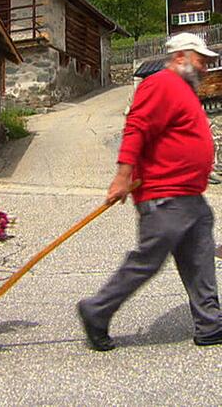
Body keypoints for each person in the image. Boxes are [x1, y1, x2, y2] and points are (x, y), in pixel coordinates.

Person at [78, 32, 222, 351]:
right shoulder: (160, 84)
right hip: (164, 194)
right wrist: (122, 176)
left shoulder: (183, 90)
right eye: (200, 59)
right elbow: (136, 126)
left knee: (199, 257)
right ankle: (97, 310)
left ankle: (210, 324)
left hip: (189, 196)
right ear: (180, 57)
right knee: (147, 260)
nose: (204, 66)